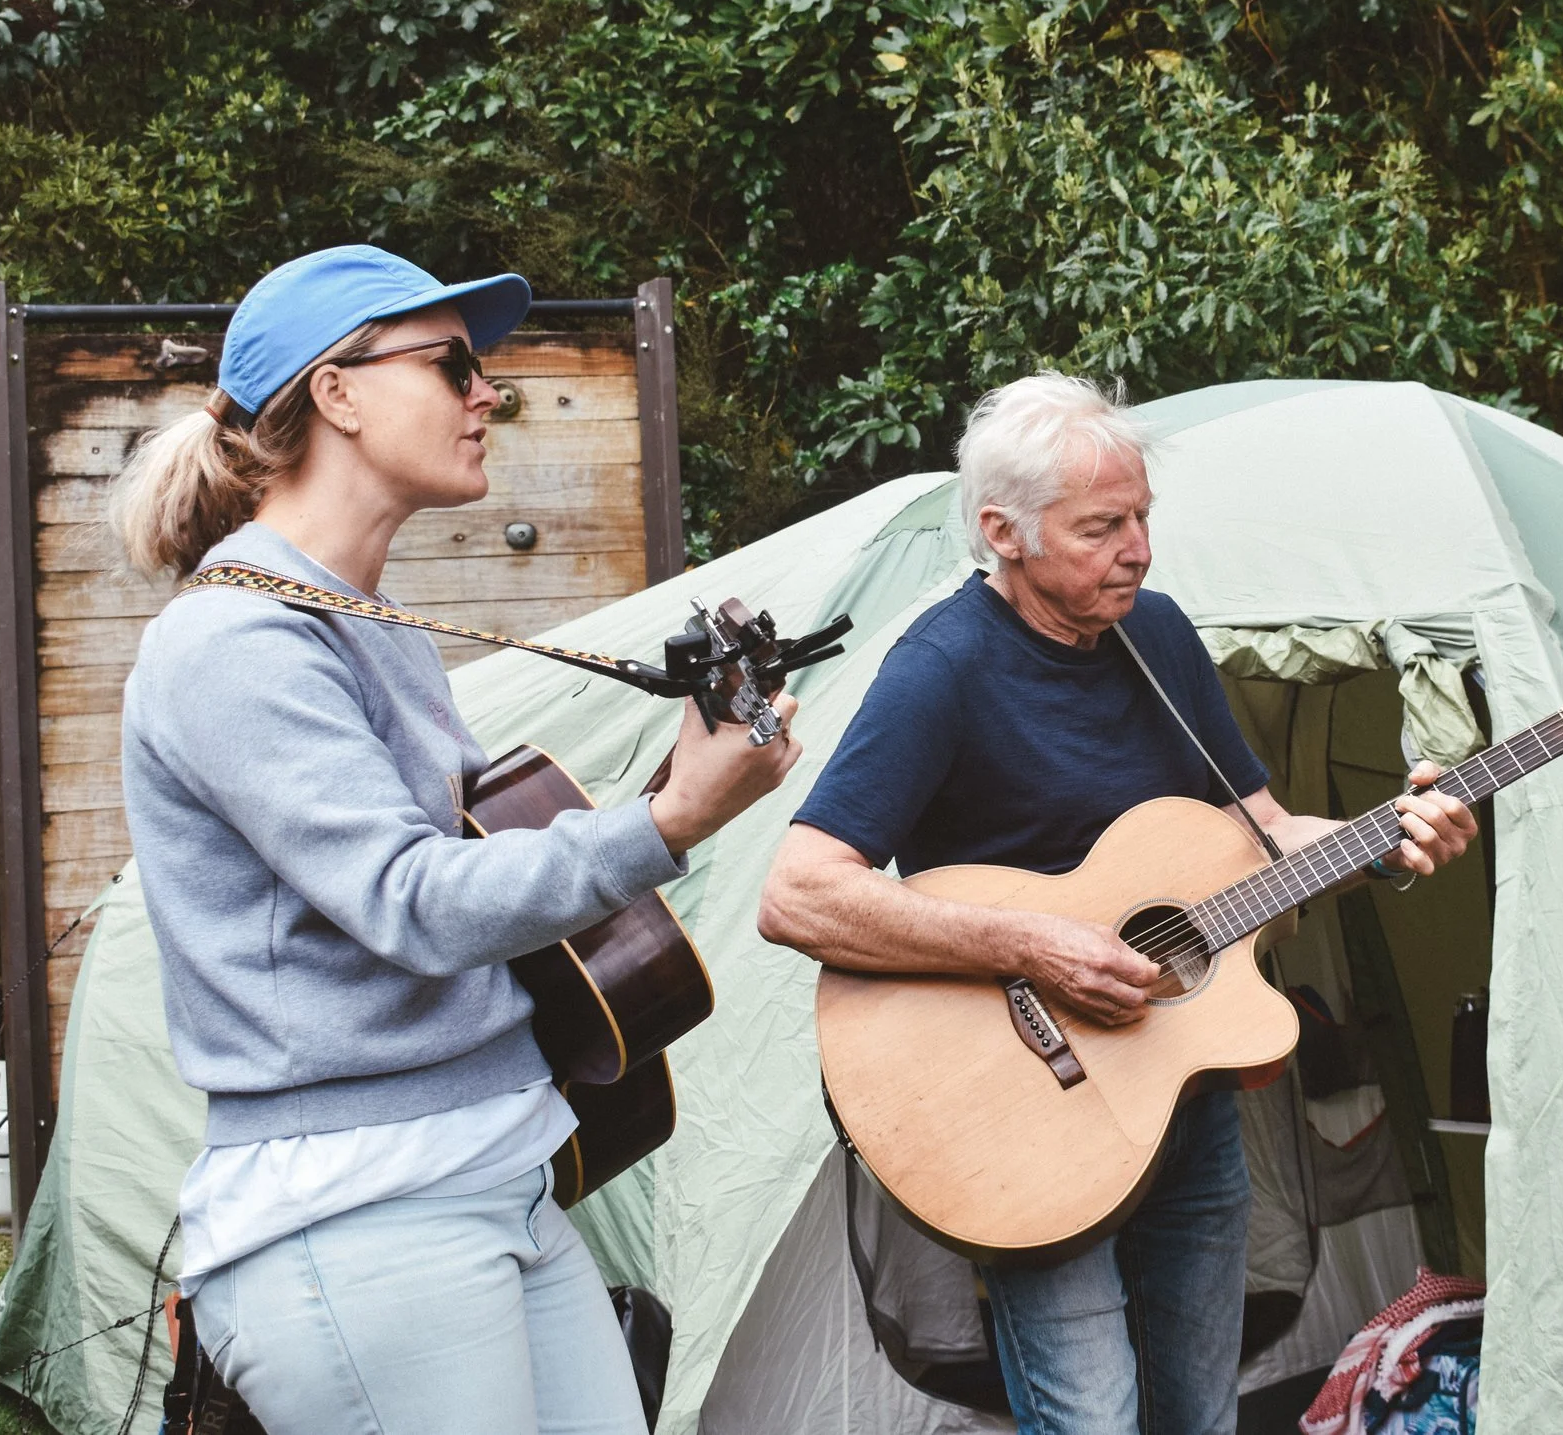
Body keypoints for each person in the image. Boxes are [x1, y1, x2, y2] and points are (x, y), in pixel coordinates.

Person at [111, 245, 801, 1435]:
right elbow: (411, 900)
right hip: (357, 1218)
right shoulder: (229, 645)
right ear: (339, 392)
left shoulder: (369, 628)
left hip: (501, 1178)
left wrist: (682, 770)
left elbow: (489, 863)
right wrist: (671, 817)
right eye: (455, 363)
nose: (491, 394)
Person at [758, 372, 1474, 1435]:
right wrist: (1035, 943)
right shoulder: (942, 667)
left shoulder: (1161, 635)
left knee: (1199, 1413)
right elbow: (797, 893)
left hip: (1182, 1098)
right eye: (1103, 526)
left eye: (1143, 517)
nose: (1138, 547)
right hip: (1024, 1111)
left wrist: (1393, 843)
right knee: (1091, 1417)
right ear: (1003, 530)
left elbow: (1269, 834)